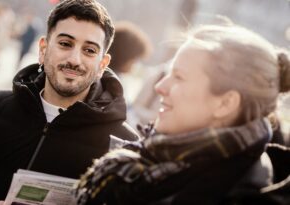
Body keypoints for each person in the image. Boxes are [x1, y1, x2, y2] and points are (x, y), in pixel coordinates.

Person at [0, 0, 139, 204]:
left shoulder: (123, 145)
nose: (74, 59)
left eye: (89, 50)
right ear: (43, 50)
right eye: (65, 43)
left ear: (102, 64)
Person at [75, 22, 290, 205]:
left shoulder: (232, 192)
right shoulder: (166, 162)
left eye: (179, 77)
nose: (160, 86)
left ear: (225, 103)